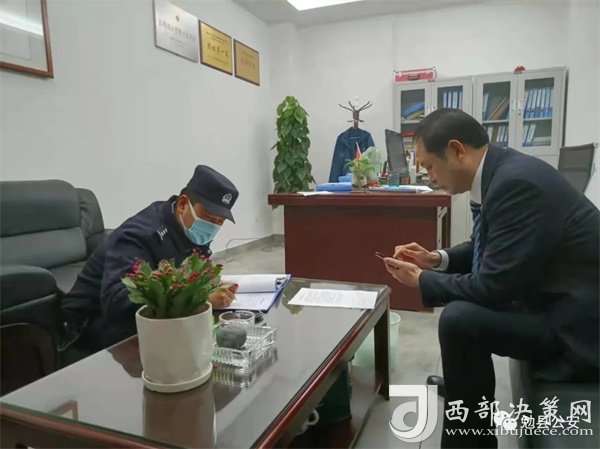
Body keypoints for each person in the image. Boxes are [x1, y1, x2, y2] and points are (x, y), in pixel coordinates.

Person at [381, 109, 599, 448]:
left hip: (575, 330)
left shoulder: (516, 184)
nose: (429, 178)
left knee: (459, 320)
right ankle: (465, 388)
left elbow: (492, 288)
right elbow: (491, 246)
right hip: (552, 298)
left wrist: (422, 279)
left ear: (456, 150)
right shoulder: (502, 171)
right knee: (461, 320)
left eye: (430, 167)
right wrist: (436, 259)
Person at [61, 165, 239, 354]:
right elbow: (119, 302)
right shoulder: (139, 236)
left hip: (151, 325)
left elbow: (183, 278)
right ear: (182, 204)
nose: (212, 227)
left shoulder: (188, 229)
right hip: (90, 326)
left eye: (219, 222)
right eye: (208, 218)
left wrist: (208, 287)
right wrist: (196, 298)